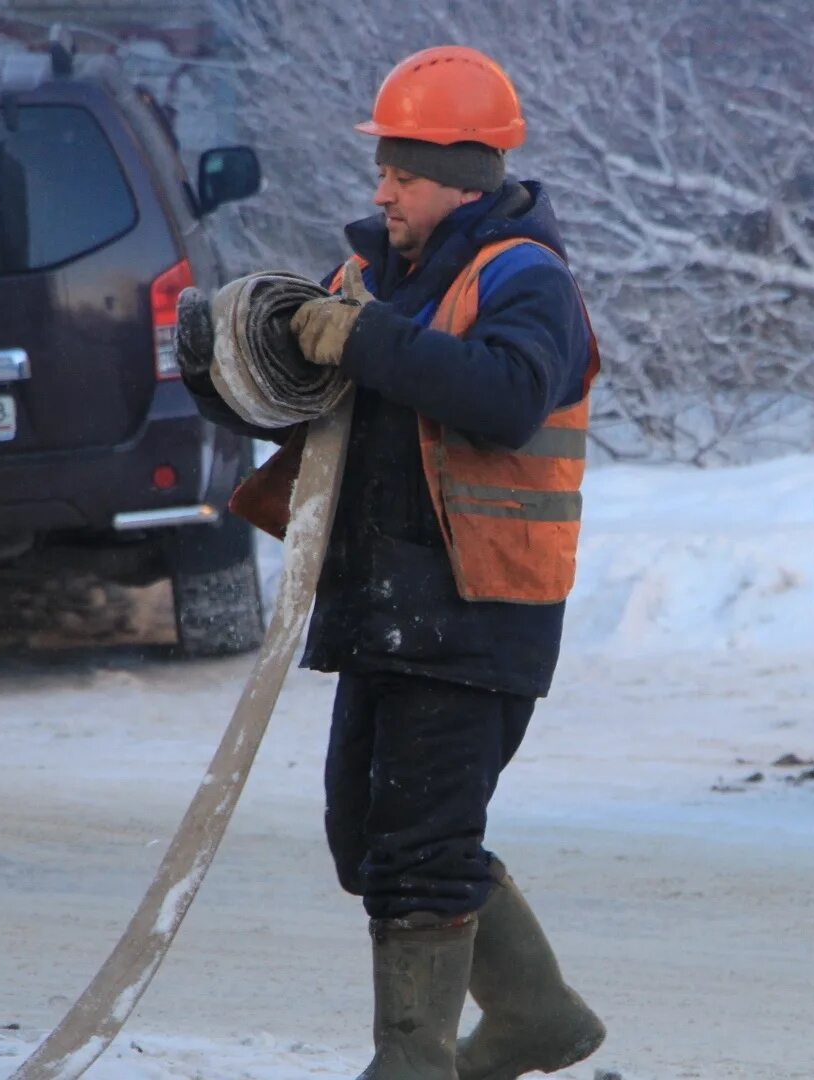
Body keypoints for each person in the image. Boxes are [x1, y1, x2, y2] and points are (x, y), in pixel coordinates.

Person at [179, 45, 605, 1080]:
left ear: (462, 177)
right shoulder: (369, 280)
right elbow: (307, 395)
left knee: (419, 853)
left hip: (477, 613)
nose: (382, 188)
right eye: (383, 169)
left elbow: (506, 398)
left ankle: (409, 1064)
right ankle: (537, 1017)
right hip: (381, 608)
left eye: (401, 173)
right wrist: (236, 356)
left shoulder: (525, 279)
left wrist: (364, 337)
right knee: (369, 838)